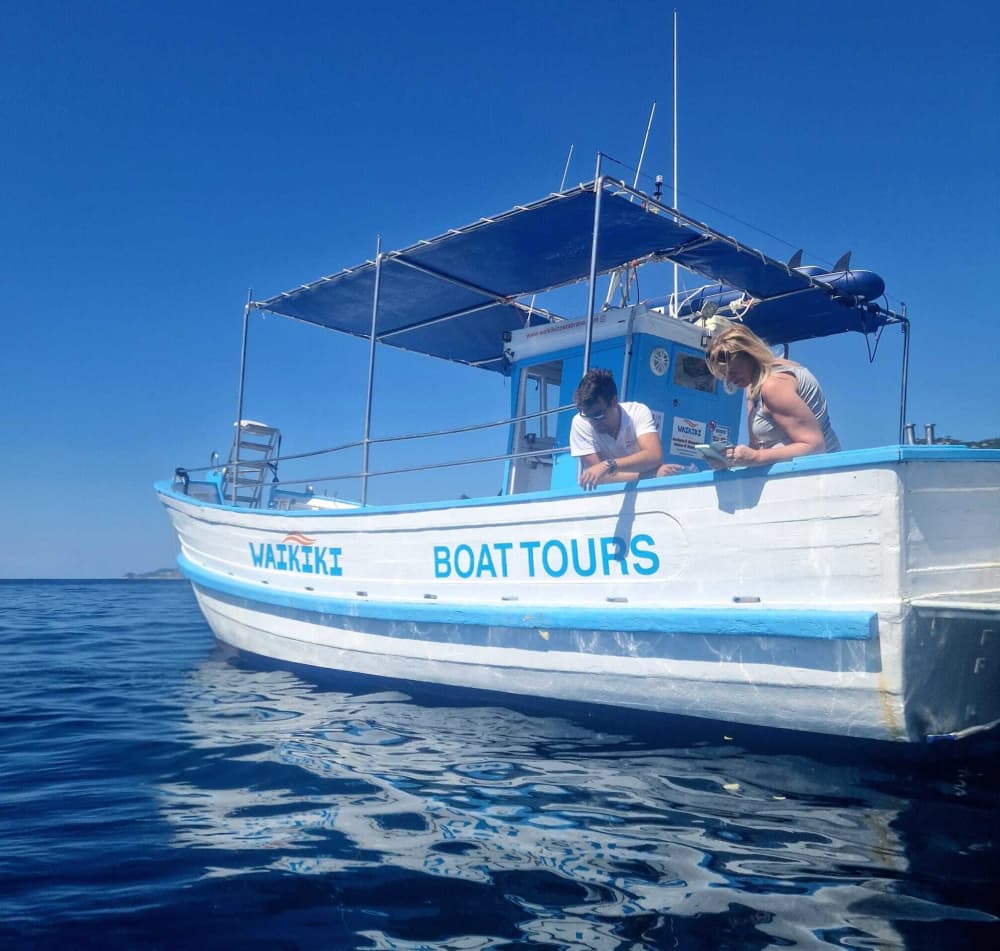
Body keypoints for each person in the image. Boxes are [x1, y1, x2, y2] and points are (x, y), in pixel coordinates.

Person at [703, 323, 841, 468]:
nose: (729, 379)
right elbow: (755, 447)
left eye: (733, 371)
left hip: (817, 475)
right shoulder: (751, 385)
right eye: (724, 375)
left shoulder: (774, 385)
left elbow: (816, 447)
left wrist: (756, 457)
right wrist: (730, 461)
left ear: (749, 355)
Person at [570, 368, 685, 490]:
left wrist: (608, 465)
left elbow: (655, 456)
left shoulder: (638, 412)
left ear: (614, 402)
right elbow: (601, 478)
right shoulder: (580, 422)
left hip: (644, 490)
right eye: (588, 416)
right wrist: (649, 475)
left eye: (598, 415)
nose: (593, 422)